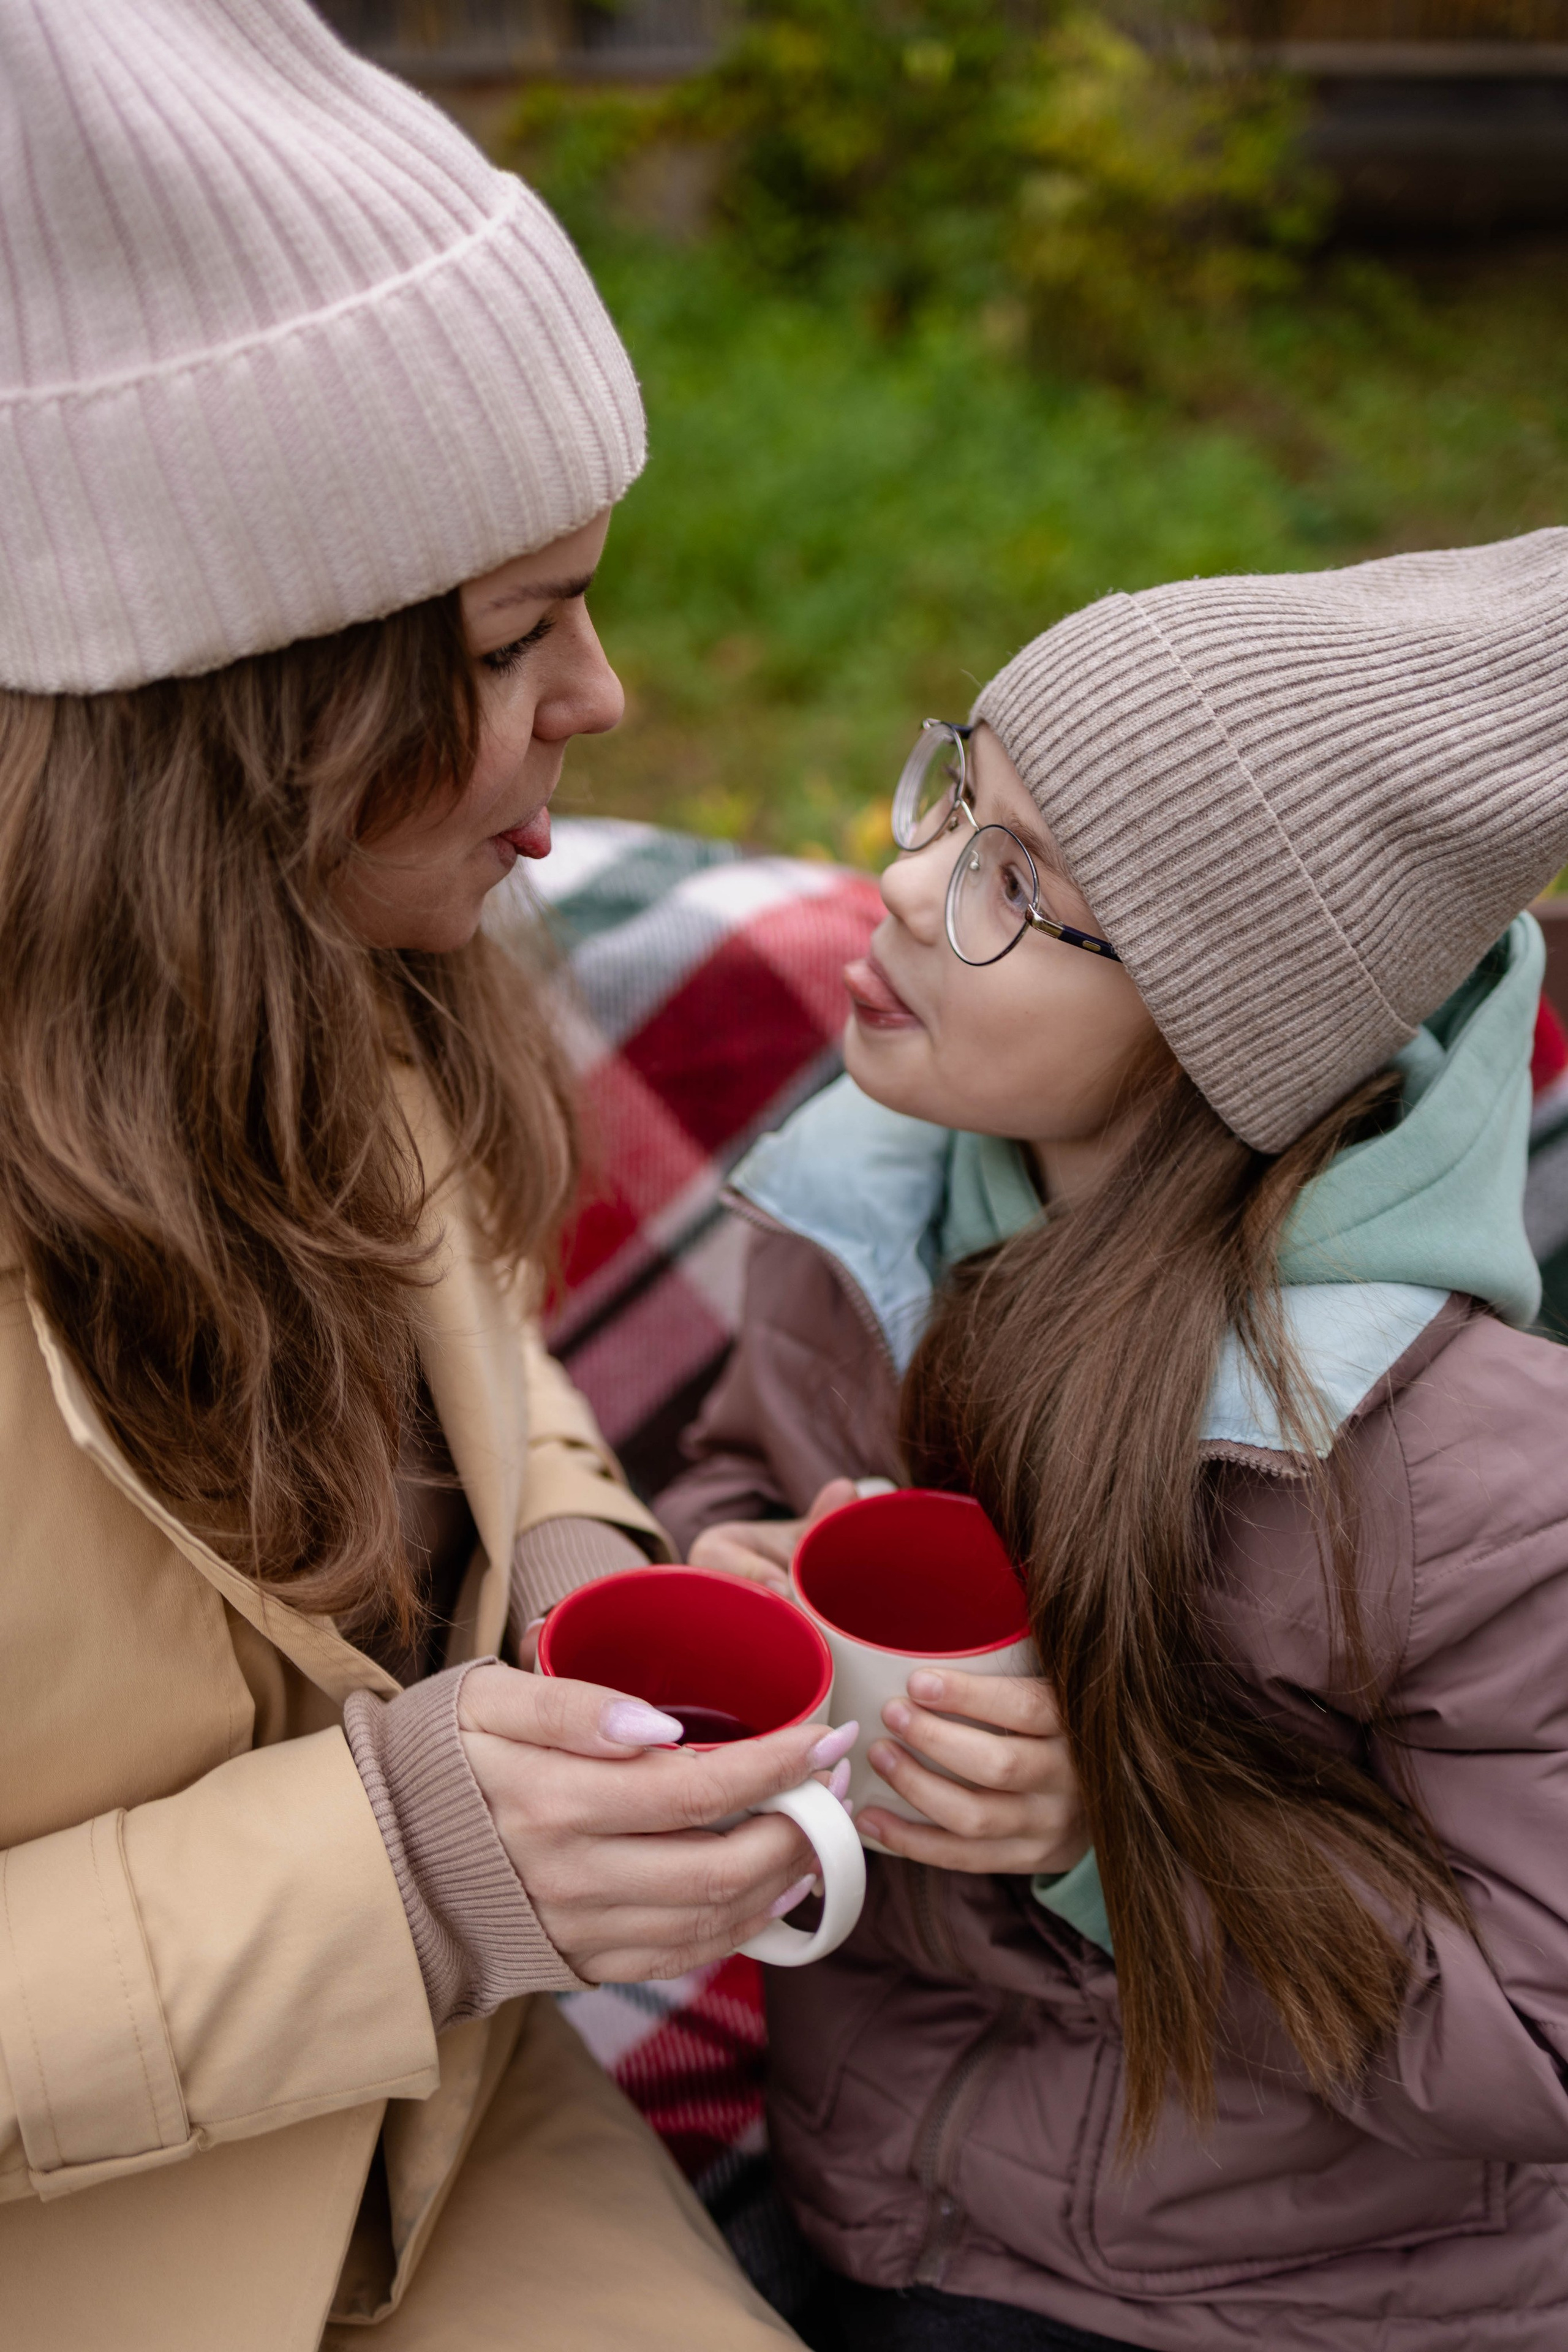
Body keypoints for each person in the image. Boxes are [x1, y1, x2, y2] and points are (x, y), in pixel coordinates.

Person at [0, 4, 851, 2346]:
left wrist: (573, 1563)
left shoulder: (339, 967)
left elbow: (469, 1366)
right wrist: (398, 1871)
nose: (605, 698)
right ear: (213, 721)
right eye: (509, 633)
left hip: (428, 2140)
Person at [657, 533, 1568, 2351]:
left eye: (1016, 881)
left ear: (1221, 1030)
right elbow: (735, 1472)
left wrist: (1111, 1833)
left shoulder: (1473, 1479)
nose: (905, 889)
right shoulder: (871, 1208)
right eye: (948, 804)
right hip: (874, 2180)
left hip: (1280, 2296)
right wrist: (728, 1570)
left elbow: (1534, 2049)